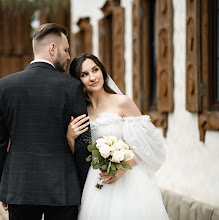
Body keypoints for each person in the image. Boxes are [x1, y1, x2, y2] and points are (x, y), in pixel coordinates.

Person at [0, 23, 90, 220]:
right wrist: (83, 189)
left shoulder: (5, 86)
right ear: (52, 48)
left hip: (19, 187)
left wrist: (3, 187)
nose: (69, 56)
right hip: (64, 188)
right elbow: (83, 142)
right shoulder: (71, 87)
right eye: (66, 49)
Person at [67, 53, 169, 219]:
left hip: (129, 180)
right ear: (77, 80)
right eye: (84, 74)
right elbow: (79, 154)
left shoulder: (122, 102)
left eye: (95, 70)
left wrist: (122, 166)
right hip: (97, 182)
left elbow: (149, 143)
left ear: (102, 71)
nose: (92, 77)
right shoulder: (81, 111)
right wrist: (70, 137)